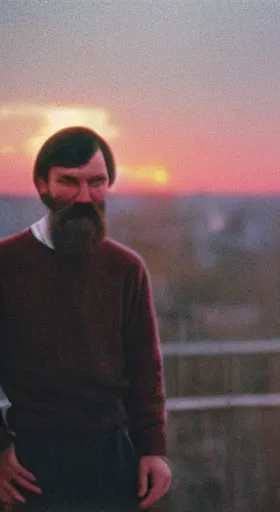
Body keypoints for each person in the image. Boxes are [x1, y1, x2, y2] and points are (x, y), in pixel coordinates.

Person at [0, 126, 172, 511]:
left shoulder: (126, 268)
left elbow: (146, 369)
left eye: (96, 182)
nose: (83, 196)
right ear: (42, 184)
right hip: (30, 464)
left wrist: (154, 450)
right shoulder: (6, 264)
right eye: (68, 182)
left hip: (112, 459)